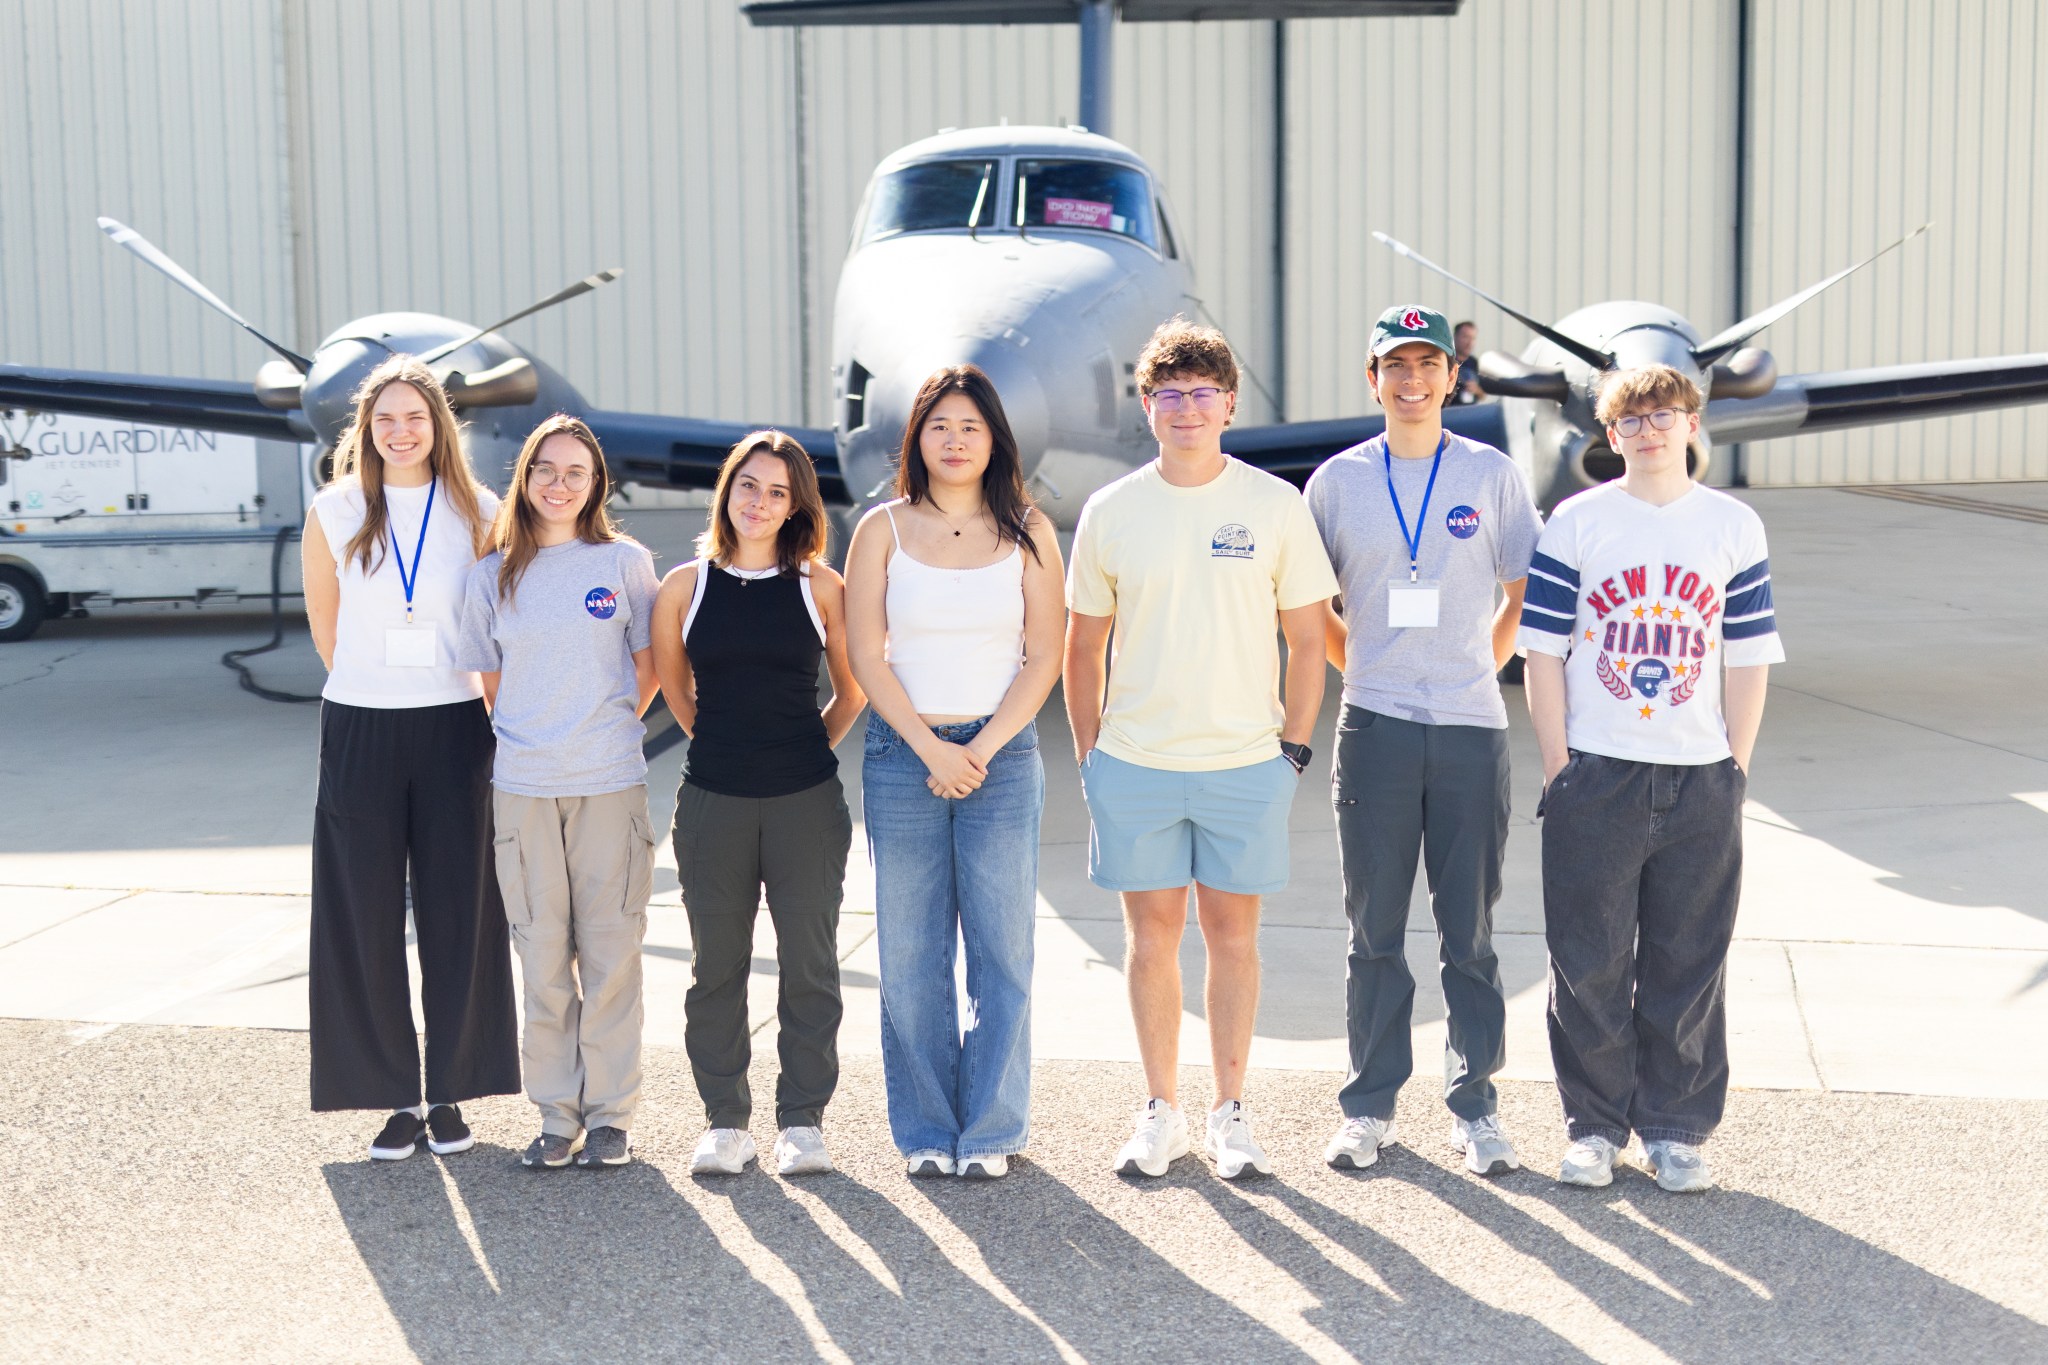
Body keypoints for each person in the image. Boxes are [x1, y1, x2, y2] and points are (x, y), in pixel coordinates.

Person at [1064, 317, 1338, 1180]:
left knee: (1233, 939)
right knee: (1150, 939)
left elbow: (1307, 638)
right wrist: (1092, 758)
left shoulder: (1273, 505)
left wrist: (1291, 750)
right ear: (1148, 406)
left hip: (1242, 765)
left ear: (1228, 403)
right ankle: (1161, 1110)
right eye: (1169, 394)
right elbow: (1082, 649)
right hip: (1137, 764)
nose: (1186, 408)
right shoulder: (1112, 511)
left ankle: (1230, 1112)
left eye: (1202, 393)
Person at [1518, 364, 1782, 1193]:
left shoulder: (1732, 526)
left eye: (1666, 414)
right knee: (1588, 958)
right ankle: (1595, 1126)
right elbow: (1542, 651)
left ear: (1694, 423)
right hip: (1600, 774)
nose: (1651, 430)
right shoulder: (1578, 521)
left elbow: (1747, 657)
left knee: (1688, 960)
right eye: (1633, 419)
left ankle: (1675, 1128)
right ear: (1611, 432)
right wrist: (1561, 766)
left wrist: (1734, 765)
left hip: (1700, 777)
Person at [1305, 304, 1542, 1176]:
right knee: (1374, 929)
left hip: (1473, 729)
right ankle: (1369, 1105)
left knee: (1468, 932)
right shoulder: (1335, 483)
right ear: (1372, 380)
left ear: (1452, 376)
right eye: (1394, 367)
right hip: (1374, 727)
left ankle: (1475, 1105)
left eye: (1427, 366)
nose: (1412, 382)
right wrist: (1360, 669)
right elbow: (1306, 607)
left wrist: (1475, 666)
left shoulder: (1490, 474)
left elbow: (1523, 589)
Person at [844, 365, 1065, 1181]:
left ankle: (994, 1128)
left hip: (1001, 759)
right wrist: (932, 748)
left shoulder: (1030, 530)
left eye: (971, 425)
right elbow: (867, 653)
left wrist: (982, 747)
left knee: (1003, 948)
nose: (956, 439)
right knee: (910, 952)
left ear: (994, 438)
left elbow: (1043, 656)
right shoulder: (883, 530)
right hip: (904, 753)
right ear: (917, 438)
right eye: (940, 425)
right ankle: (928, 1129)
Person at [300, 355, 519, 1161]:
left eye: (415, 417)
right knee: (359, 911)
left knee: (460, 910)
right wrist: (373, 681)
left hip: (455, 722)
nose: (400, 431)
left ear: (439, 426)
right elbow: (326, 628)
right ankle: (391, 1093)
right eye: (385, 418)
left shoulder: (478, 508)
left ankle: (453, 1088)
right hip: (361, 724)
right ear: (366, 428)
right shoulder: (333, 508)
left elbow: (497, 619)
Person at [651, 431, 866, 1178]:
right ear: (727, 490)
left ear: (796, 504)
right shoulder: (686, 586)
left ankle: (802, 1119)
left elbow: (854, 686)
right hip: (713, 801)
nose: (761, 502)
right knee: (717, 967)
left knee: (809, 965)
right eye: (749, 486)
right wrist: (719, 741)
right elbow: (676, 689)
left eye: (778, 491)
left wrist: (808, 744)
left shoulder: (820, 586)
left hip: (806, 801)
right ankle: (725, 1120)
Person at [455, 414, 661, 1171]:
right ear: (525, 477)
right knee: (541, 955)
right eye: (546, 469)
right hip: (524, 790)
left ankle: (610, 1114)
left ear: (596, 483)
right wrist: (540, 737)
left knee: (611, 954)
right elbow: (491, 684)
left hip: (609, 783)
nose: (559, 483)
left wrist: (597, 731)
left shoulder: (624, 563)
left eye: (576, 471)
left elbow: (649, 668)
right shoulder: (491, 575)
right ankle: (555, 1113)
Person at [1447, 321, 1483, 406]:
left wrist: (1476, 390)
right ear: (1455, 337)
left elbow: (1482, 395)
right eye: (1466, 337)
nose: (1469, 343)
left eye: (1473, 338)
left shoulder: (1473, 362)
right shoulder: (1446, 360)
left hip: (1470, 412)